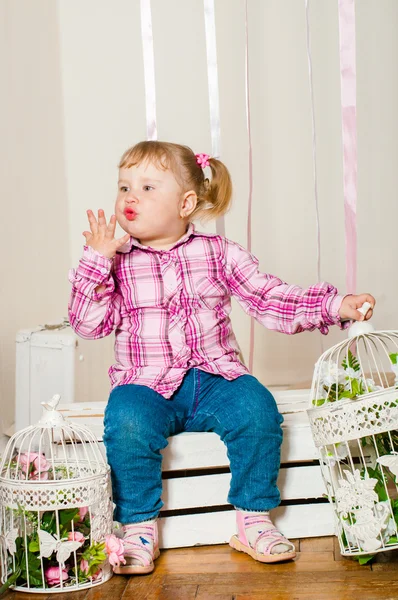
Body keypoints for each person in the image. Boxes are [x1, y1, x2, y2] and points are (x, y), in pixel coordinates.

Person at [68, 141, 375, 574]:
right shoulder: (115, 264)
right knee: (127, 424)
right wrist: (95, 263)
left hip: (215, 377)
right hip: (145, 382)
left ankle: (253, 518)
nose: (129, 197)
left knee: (257, 410)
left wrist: (335, 305)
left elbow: (270, 297)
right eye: (123, 187)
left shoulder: (219, 252)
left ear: (186, 203)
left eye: (147, 187)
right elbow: (88, 325)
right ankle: (138, 527)